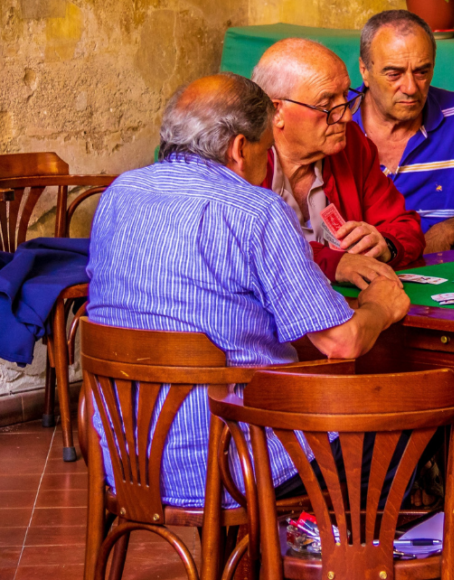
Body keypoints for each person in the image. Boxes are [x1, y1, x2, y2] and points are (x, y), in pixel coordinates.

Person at [86, 73, 410, 508]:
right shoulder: (256, 211)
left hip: (125, 461)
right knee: (408, 423)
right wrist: (379, 306)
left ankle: (278, 552)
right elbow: (342, 343)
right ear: (240, 149)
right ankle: (324, 558)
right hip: (232, 462)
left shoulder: (119, 193)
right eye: (265, 149)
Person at [251, 38, 425, 288]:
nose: (345, 115)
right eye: (326, 104)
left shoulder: (351, 144)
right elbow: (251, 248)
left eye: (345, 96)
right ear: (276, 111)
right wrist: (334, 263)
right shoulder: (241, 158)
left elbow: (405, 225)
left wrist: (385, 245)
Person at [353, 10, 454, 253]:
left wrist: (448, 231)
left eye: (421, 71)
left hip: (434, 271)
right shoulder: (334, 118)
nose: (410, 88)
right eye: (394, 74)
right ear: (364, 71)